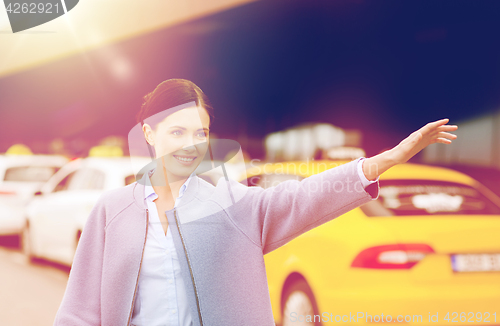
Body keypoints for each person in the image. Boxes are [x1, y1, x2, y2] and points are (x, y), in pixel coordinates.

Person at [53, 79, 457, 326]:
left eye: (200, 133)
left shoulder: (233, 206)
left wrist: (381, 162)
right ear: (148, 132)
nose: (191, 145)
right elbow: (79, 312)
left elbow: (304, 197)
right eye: (177, 132)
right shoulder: (111, 211)